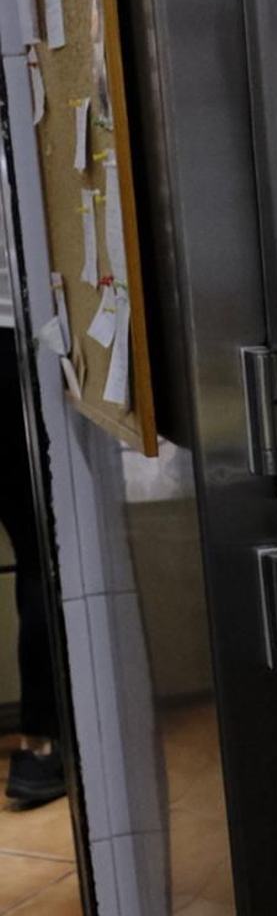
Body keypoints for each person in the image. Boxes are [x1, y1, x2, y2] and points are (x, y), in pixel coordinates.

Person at [0, 242, 64, 807]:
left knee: (37, 562)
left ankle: (40, 747)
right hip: (8, 339)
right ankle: (41, 748)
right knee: (42, 561)